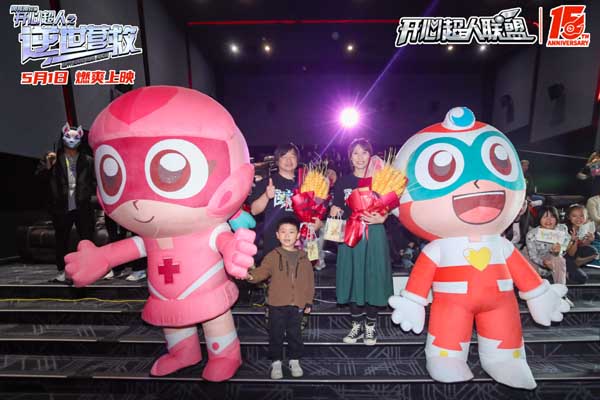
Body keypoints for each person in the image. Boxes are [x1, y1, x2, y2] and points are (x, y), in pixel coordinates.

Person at [330, 138, 393, 346]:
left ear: (370, 156)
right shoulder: (343, 182)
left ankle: (370, 326)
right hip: (350, 235)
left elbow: (390, 205)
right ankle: (356, 325)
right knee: (353, 277)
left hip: (373, 234)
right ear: (350, 157)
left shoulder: (380, 181)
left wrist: (384, 217)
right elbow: (337, 208)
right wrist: (334, 211)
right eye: (355, 153)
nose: (360, 157)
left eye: (364, 153)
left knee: (373, 278)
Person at [246, 216, 315, 380]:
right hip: (276, 304)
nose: (287, 235)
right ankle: (276, 362)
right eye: (283, 232)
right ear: (277, 235)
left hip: (297, 304)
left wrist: (308, 301)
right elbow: (262, 272)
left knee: (295, 335)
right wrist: (250, 276)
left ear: (298, 235)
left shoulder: (304, 257)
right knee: (275, 334)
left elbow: (309, 281)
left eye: (291, 232)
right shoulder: (272, 256)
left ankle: (294, 360)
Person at [39, 123, 96, 282]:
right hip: (61, 206)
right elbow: (40, 180)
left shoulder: (88, 161)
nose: (72, 140)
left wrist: (89, 195)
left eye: (75, 136)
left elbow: (94, 181)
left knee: (86, 240)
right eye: (68, 136)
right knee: (62, 239)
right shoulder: (53, 158)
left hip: (82, 205)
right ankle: (63, 271)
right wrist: (49, 166)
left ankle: (88, 269)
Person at [526, 206, 568, 284]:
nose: (548, 220)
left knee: (558, 259)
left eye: (552, 217)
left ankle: (561, 288)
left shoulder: (562, 229)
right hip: (539, 261)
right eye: (545, 217)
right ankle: (534, 287)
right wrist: (543, 262)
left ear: (556, 218)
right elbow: (533, 256)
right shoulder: (532, 234)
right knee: (527, 260)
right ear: (539, 219)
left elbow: (564, 248)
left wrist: (557, 251)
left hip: (555, 259)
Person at [565, 204, 597, 284]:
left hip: (574, 255)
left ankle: (575, 263)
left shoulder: (584, 228)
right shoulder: (565, 229)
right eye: (574, 216)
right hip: (564, 256)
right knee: (582, 278)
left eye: (582, 216)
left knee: (592, 251)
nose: (578, 219)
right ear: (568, 217)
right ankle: (571, 266)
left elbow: (582, 246)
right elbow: (570, 253)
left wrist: (589, 240)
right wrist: (574, 240)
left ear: (586, 217)